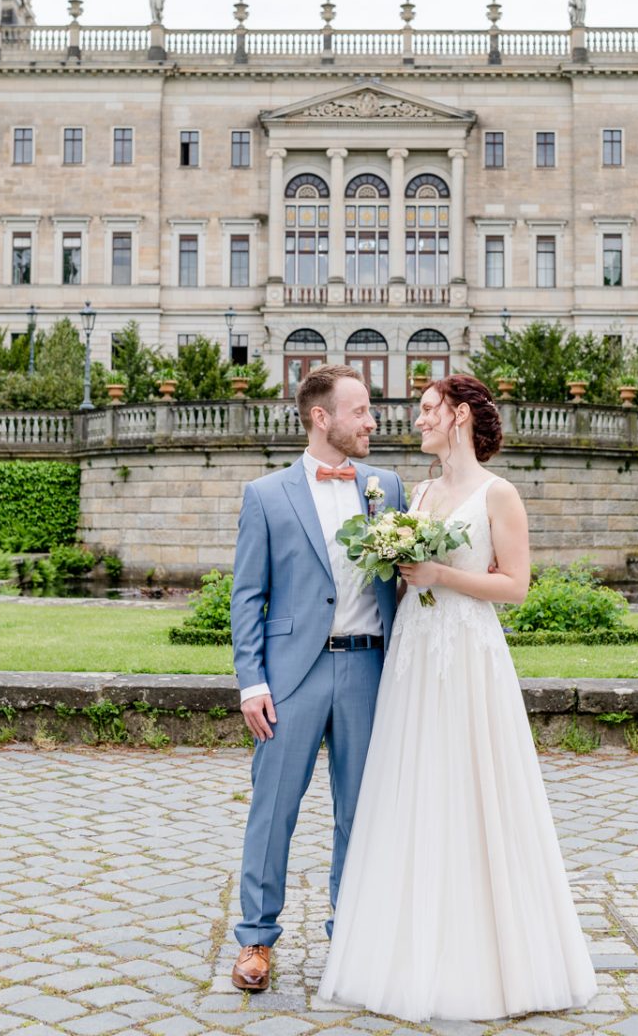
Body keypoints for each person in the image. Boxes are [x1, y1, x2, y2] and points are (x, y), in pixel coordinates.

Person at [318, 374, 598, 1021]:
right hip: (415, 656)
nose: (415, 420)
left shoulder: (499, 495)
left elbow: (517, 586)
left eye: (426, 410)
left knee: (476, 789)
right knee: (413, 788)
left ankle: (490, 952)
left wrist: (440, 573)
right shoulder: (416, 492)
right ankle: (401, 945)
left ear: (461, 417)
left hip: (469, 655)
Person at [228, 365, 406, 992]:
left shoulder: (388, 487)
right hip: (290, 678)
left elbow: (408, 581)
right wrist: (252, 682)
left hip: (367, 668)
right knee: (273, 809)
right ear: (321, 418)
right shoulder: (267, 496)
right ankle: (255, 939)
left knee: (361, 811)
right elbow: (247, 597)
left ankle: (349, 931)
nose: (373, 422)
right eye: (361, 411)